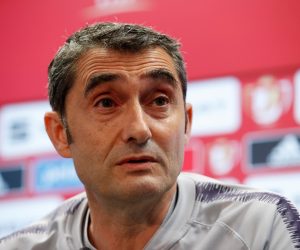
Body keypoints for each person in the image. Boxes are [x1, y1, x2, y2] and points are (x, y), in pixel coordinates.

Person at [0, 22, 299, 250]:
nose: (139, 130)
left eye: (159, 101)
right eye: (106, 103)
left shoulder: (262, 228)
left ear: (186, 124)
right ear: (60, 133)